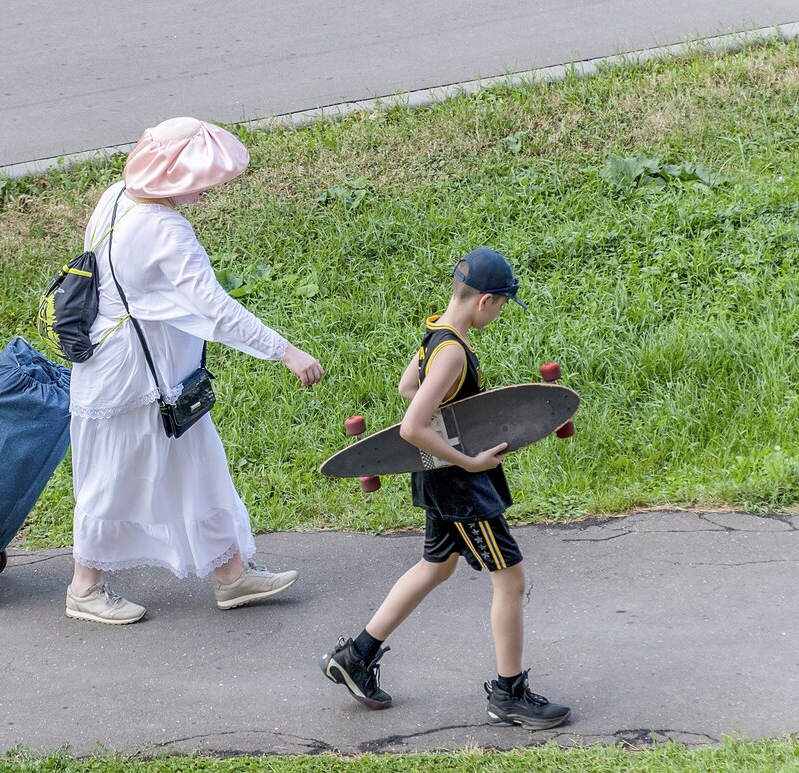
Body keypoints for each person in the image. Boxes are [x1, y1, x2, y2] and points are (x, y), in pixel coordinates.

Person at [65, 116, 324, 625]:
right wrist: (286, 351)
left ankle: (231, 573)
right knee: (114, 476)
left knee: (196, 461)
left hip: (136, 367)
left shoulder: (116, 196)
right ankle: (83, 588)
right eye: (199, 181)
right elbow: (217, 309)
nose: (206, 192)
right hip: (135, 377)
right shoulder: (168, 231)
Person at [319, 248, 570, 730]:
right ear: (486, 301)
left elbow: (406, 387)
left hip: (436, 475)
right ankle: (508, 694)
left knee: (436, 565)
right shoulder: (455, 351)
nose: (498, 315)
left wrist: (447, 425)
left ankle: (356, 656)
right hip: (461, 486)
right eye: (501, 307)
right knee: (510, 579)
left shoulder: (437, 335)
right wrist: (468, 456)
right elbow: (413, 426)